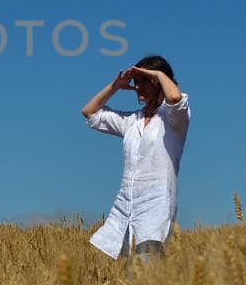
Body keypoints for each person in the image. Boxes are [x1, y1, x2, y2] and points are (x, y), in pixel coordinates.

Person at [79, 55, 191, 263]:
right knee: (132, 274)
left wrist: (157, 73)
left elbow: (175, 98)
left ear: (157, 83)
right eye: (136, 83)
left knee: (147, 268)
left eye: (143, 82)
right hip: (128, 206)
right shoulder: (132, 121)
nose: (137, 87)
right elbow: (89, 112)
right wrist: (116, 85)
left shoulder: (173, 120)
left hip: (157, 204)